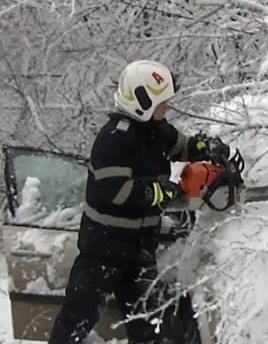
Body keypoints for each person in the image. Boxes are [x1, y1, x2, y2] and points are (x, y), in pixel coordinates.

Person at [48, 60, 230, 344]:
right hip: (103, 249)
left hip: (140, 248)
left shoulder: (156, 130)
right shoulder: (114, 139)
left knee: (149, 326)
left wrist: (204, 147)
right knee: (78, 317)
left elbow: (181, 146)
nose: (167, 109)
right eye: (162, 103)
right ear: (142, 102)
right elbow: (115, 190)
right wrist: (159, 192)